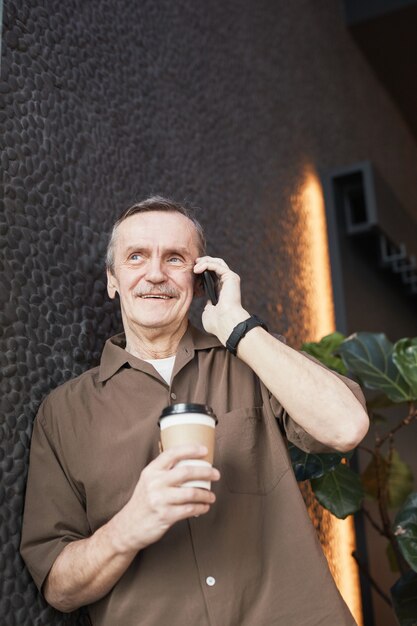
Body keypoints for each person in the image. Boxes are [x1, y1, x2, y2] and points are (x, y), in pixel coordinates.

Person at [21, 196, 369, 626]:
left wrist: (239, 328)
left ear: (199, 277)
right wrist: (129, 526)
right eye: (136, 257)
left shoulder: (252, 361)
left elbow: (346, 426)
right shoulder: (62, 414)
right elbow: (59, 587)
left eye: (175, 258)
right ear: (113, 280)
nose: (155, 274)